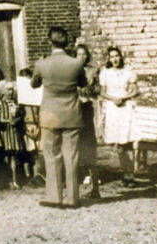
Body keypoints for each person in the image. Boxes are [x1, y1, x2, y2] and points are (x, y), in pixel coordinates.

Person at [31, 26, 85, 209]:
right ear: (67, 42)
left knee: (52, 155)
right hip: (71, 114)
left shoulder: (41, 64)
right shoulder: (76, 63)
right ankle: (72, 198)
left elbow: (33, 84)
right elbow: (83, 83)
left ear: (49, 41)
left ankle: (55, 197)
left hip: (50, 114)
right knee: (71, 156)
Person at [99, 46, 139, 186]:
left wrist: (124, 97)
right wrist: (113, 99)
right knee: (119, 145)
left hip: (125, 108)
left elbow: (136, 90)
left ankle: (131, 175)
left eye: (117, 56)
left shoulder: (127, 72)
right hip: (113, 109)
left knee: (127, 142)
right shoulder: (106, 73)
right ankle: (124, 173)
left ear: (120, 57)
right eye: (112, 57)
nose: (115, 59)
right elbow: (102, 92)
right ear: (109, 59)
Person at [74, 41, 101, 199]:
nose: (81, 57)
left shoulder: (93, 71)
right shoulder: (70, 70)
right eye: (78, 54)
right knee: (75, 148)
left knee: (90, 147)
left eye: (84, 54)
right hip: (73, 110)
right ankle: (74, 188)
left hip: (86, 108)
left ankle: (95, 188)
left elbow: (97, 91)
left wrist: (88, 89)